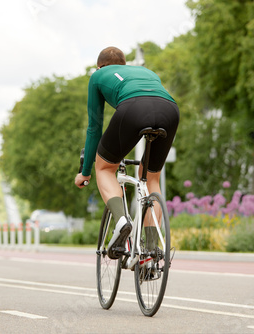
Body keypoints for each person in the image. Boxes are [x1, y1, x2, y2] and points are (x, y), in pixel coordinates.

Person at [74, 46, 179, 258]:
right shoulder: (147, 72)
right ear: (124, 64)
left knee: (104, 168)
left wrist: (85, 172)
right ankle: (151, 250)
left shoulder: (98, 76)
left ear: (100, 66)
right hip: (170, 110)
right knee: (151, 179)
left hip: (133, 108)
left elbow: (94, 127)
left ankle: (122, 221)